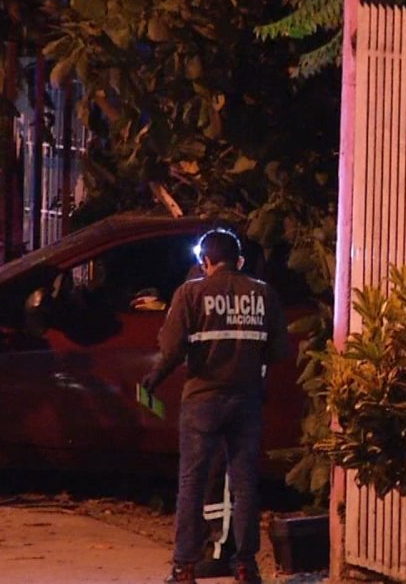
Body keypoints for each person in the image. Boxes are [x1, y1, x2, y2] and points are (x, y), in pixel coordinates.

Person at [141, 229, 290, 584]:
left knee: (192, 481)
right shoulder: (263, 294)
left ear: (204, 261)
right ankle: (245, 566)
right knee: (244, 484)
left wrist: (150, 383)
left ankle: (184, 567)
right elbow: (279, 351)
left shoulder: (191, 293)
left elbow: (172, 349)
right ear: (239, 261)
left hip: (202, 400)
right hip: (247, 400)